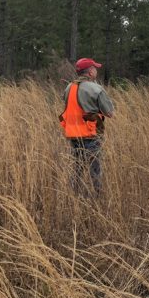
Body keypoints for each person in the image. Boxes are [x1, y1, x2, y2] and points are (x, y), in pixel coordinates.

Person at [59, 57, 115, 196]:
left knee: (77, 168)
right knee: (95, 170)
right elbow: (109, 113)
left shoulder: (68, 87)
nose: (96, 70)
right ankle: (98, 198)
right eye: (95, 68)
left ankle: (73, 196)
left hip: (73, 135)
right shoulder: (96, 89)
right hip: (91, 135)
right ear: (90, 72)